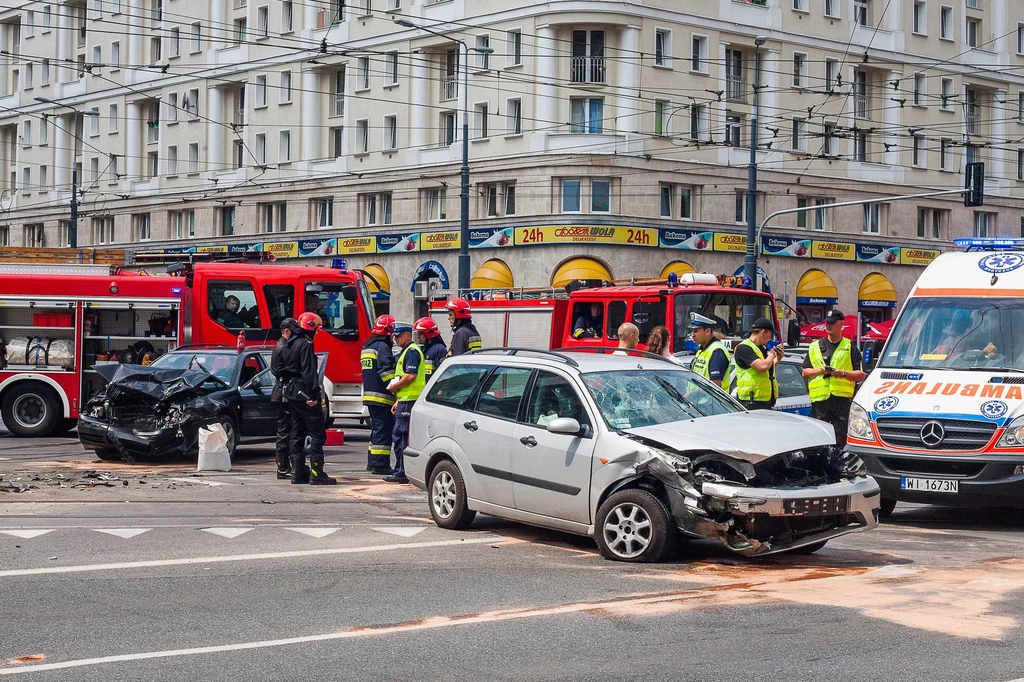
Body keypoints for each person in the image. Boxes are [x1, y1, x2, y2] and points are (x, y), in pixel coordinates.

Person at [281, 312, 336, 485]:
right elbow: (308, 372)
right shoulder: (305, 344)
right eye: (316, 329)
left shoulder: (289, 343)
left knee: (297, 433)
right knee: (317, 434)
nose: (317, 333)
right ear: (311, 328)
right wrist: (313, 395)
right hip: (305, 394)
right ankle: (316, 472)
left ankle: (298, 472)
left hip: (292, 393)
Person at [802, 310, 867, 446]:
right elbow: (805, 372)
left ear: (841, 324)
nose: (828, 326)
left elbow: (861, 375)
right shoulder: (814, 347)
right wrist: (819, 370)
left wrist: (842, 373)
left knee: (840, 442)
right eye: (827, 323)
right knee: (819, 442)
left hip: (841, 403)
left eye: (832, 323)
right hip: (820, 404)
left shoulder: (850, 347)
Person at [385, 322, 425, 484]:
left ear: (408, 335)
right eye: (394, 336)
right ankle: (402, 470)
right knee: (401, 435)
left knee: (401, 436)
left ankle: (401, 472)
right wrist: (398, 399)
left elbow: (410, 376)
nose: (395, 339)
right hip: (405, 400)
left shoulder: (412, 352)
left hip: (410, 400)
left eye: (398, 336)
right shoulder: (407, 351)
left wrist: (394, 386)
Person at [361, 314, 397, 475]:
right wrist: (397, 386)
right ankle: (380, 464)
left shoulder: (367, 346)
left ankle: (372, 461)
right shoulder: (382, 347)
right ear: (388, 332)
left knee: (376, 430)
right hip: (382, 396)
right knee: (383, 431)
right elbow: (386, 372)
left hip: (370, 395)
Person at [733, 318, 782, 410]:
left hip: (765, 401)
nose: (770, 339)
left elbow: (767, 369)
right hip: (751, 402)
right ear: (763, 332)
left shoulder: (761, 348)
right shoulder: (744, 348)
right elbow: (762, 366)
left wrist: (778, 358)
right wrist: (771, 355)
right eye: (770, 335)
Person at [270, 317, 296, 480]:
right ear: (287, 331)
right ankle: (283, 467)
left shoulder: (281, 345)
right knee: (285, 431)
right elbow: (283, 371)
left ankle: (285, 465)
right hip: (283, 394)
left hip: (281, 392)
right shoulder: (283, 347)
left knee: (285, 431)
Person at [689, 313, 732, 387]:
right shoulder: (702, 350)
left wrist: (691, 395)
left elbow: (714, 385)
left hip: (710, 399)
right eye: (691, 331)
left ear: (708, 331)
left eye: (696, 331)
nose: (692, 335)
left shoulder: (717, 352)